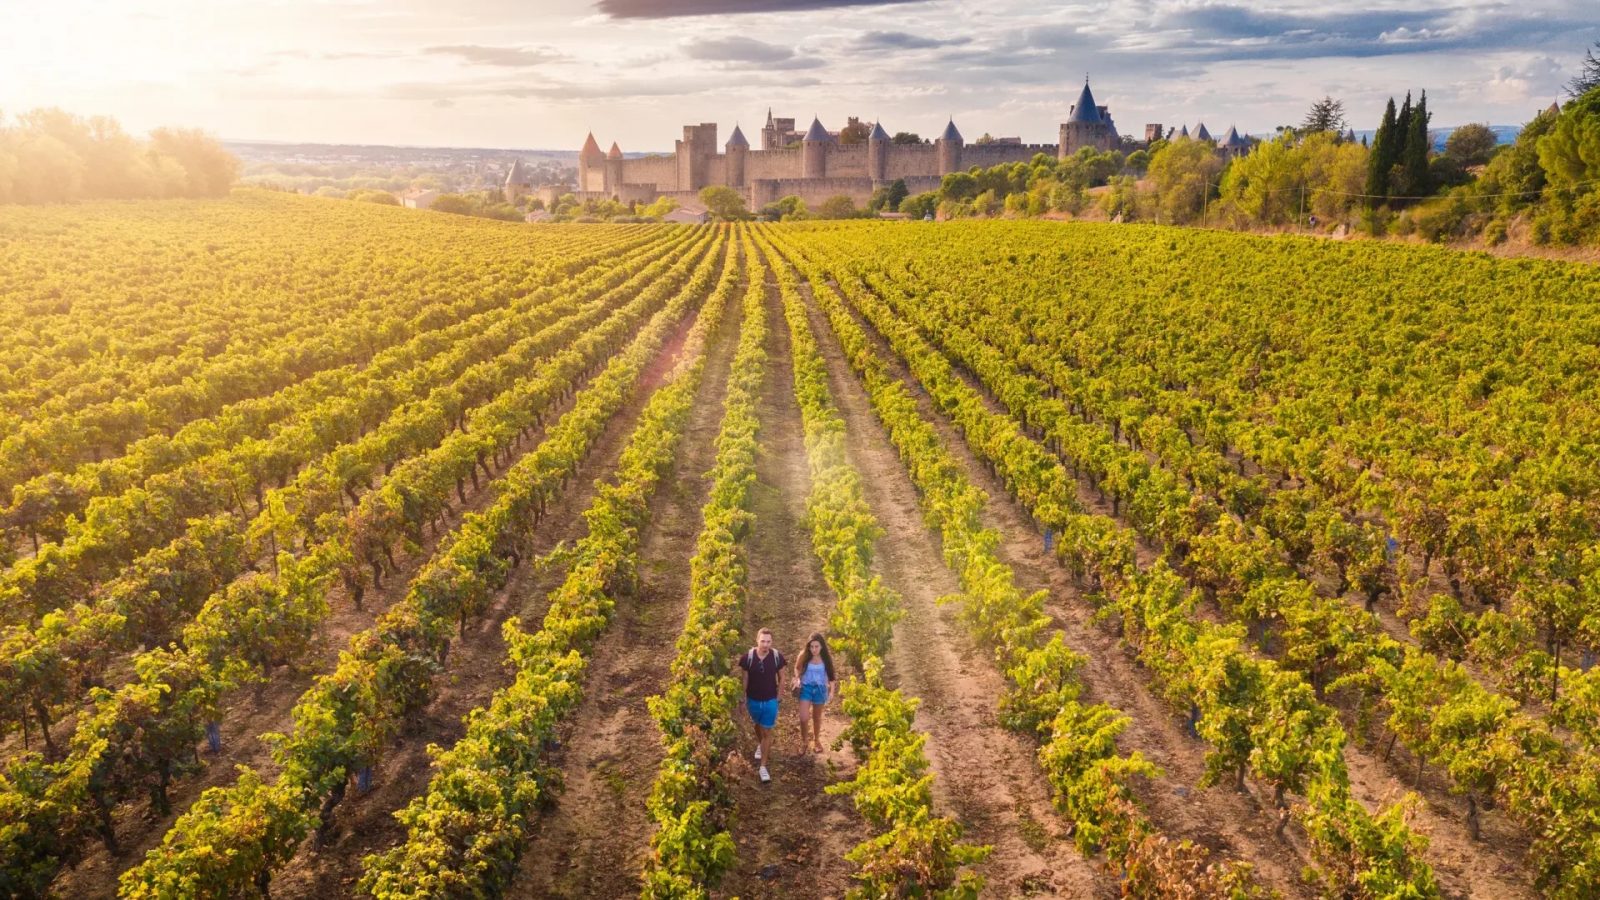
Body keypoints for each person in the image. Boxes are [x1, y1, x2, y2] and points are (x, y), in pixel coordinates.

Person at [738, 627, 785, 783]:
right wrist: (743, 698)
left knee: (767, 732)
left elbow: (782, 678)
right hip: (753, 700)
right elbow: (745, 679)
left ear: (772, 642)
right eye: (763, 641)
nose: (765, 644)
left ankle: (763, 767)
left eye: (768, 641)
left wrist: (778, 697)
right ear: (757, 640)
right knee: (757, 725)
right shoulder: (748, 658)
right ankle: (761, 744)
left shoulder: (777, 657)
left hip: (771, 700)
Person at [791, 632, 837, 754]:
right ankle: (804, 741)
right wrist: (798, 678)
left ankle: (816, 740)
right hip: (806, 688)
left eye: (816, 646)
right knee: (803, 717)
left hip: (820, 690)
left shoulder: (825, 658)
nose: (814, 649)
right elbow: (796, 667)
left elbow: (832, 676)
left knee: (817, 717)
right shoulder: (804, 655)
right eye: (811, 646)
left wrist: (831, 692)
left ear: (821, 646)